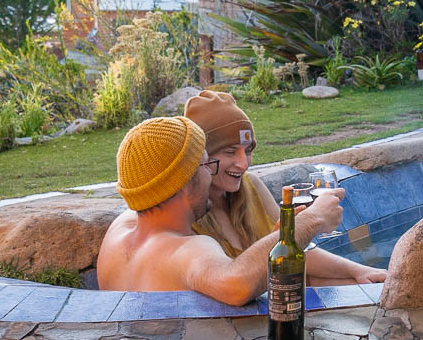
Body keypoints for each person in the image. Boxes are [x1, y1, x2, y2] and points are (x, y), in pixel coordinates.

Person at [96, 116, 349, 304]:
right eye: (207, 165)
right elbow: (238, 284)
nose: (211, 175)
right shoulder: (185, 252)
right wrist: (312, 220)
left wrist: (277, 238)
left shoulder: (118, 234)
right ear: (184, 183)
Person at [184, 90, 386, 285]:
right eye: (230, 152)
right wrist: (313, 220)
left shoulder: (251, 186)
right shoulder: (187, 215)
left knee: (357, 282)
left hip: (276, 298)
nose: (243, 164)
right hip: (246, 313)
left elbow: (294, 251)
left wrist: (360, 271)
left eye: (248, 151)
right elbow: (236, 286)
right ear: (203, 156)